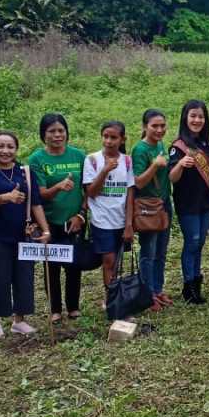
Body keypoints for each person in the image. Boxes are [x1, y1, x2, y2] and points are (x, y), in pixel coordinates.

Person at [0, 131, 51, 337]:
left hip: (23, 234)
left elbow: (35, 203)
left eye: (10, 147)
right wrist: (6, 197)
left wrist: (45, 229)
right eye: (0, 146)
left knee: (24, 275)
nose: (5, 151)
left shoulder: (25, 172)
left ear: (16, 149)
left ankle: (19, 320)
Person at [29, 113, 85, 323]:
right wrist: (58, 187)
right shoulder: (37, 159)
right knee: (51, 266)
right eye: (51, 131)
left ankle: (73, 307)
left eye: (61, 130)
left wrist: (81, 215)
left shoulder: (79, 156)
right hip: (49, 222)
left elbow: (87, 189)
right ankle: (55, 309)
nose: (57, 135)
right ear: (43, 135)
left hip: (74, 221)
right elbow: (40, 194)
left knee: (74, 265)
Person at [169, 100, 209, 305]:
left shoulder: (206, 145)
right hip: (187, 203)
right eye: (193, 116)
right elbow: (172, 177)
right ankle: (189, 286)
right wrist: (180, 164)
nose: (197, 120)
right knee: (192, 241)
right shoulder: (178, 146)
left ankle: (197, 283)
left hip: (205, 202)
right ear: (185, 118)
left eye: (201, 116)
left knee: (201, 243)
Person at [83, 121, 135, 295]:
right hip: (101, 221)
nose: (108, 141)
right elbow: (91, 192)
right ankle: (111, 298)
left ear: (122, 139)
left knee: (117, 261)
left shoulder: (127, 161)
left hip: (120, 220)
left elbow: (129, 194)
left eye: (113, 137)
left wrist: (129, 224)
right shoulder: (92, 160)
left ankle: (114, 294)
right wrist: (105, 170)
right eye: (105, 136)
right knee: (109, 260)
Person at [132, 109, 173, 310]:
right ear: (145, 127)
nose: (159, 129)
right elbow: (138, 182)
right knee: (149, 252)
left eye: (162, 126)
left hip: (165, 204)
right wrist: (155, 166)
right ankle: (147, 294)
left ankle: (157, 289)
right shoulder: (140, 150)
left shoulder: (161, 144)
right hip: (148, 207)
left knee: (161, 251)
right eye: (154, 126)